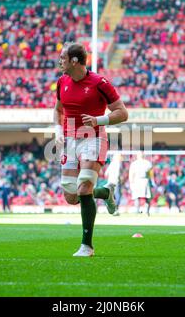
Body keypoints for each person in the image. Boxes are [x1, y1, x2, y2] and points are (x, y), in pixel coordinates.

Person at [53, 42, 128, 257]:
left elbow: (122, 113)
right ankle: (105, 192)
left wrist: (98, 120)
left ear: (75, 61)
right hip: (70, 140)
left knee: (84, 187)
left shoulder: (100, 83)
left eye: (63, 58)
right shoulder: (61, 82)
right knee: (71, 195)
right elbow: (57, 110)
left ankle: (87, 245)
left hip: (93, 138)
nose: (60, 62)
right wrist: (58, 129)